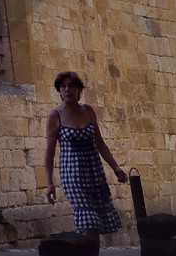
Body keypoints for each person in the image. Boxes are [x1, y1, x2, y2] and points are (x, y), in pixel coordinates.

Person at [43, 70, 129, 254]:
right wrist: (49, 183)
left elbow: (100, 142)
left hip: (94, 171)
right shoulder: (55, 116)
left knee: (95, 223)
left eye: (72, 86)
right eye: (63, 86)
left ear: (79, 90)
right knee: (88, 220)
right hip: (72, 174)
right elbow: (49, 152)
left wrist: (116, 167)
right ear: (59, 90)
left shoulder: (88, 110)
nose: (67, 89)